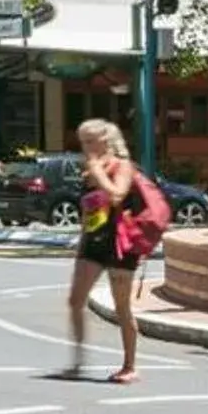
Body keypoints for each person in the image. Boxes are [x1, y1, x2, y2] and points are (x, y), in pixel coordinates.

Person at [65, 119, 144, 384]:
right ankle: (78, 361)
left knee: (122, 307)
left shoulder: (123, 166)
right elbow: (90, 210)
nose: (85, 147)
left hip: (120, 244)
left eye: (90, 141)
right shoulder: (89, 170)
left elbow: (117, 195)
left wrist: (97, 171)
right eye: (82, 141)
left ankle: (130, 365)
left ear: (106, 140)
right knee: (75, 300)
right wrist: (81, 240)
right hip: (93, 241)